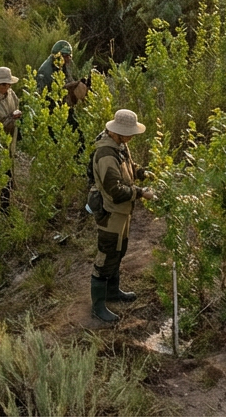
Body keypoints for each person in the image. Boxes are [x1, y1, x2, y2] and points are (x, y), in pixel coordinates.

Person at [90, 109, 155, 323]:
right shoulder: (105, 154)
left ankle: (113, 292)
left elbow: (128, 168)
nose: (131, 137)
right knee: (106, 256)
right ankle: (98, 307)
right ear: (117, 132)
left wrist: (141, 172)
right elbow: (116, 191)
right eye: (129, 134)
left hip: (122, 211)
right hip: (111, 212)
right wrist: (141, 193)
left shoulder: (119, 145)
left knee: (119, 251)